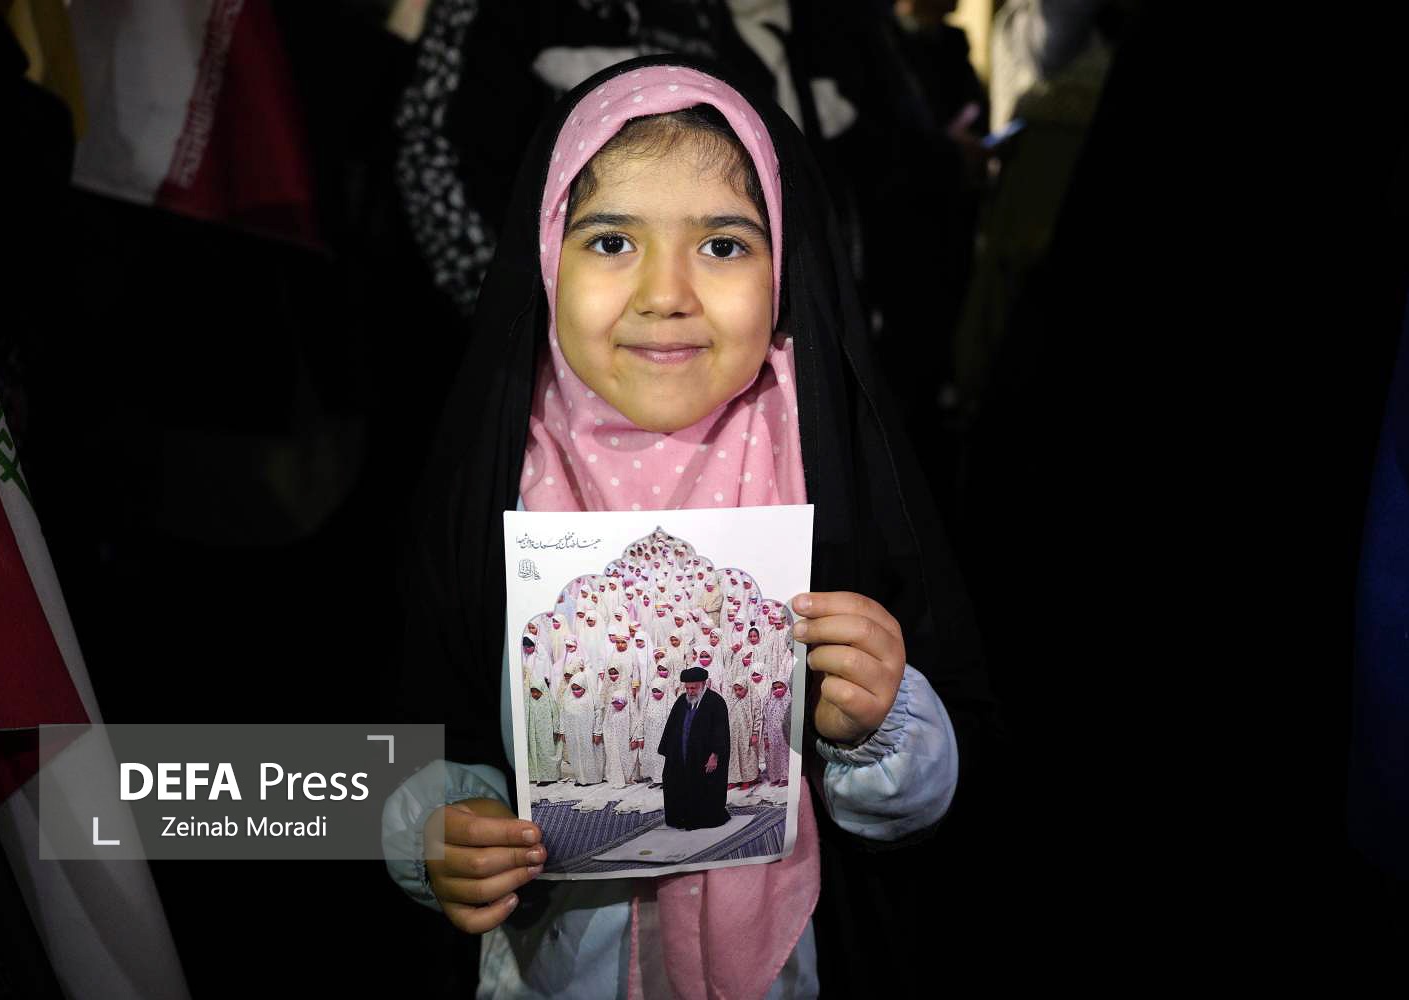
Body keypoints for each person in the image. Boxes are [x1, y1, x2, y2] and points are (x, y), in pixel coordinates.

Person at [385, 55, 997, 997]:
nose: (665, 292)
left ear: (785, 265)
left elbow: (936, 798)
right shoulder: (493, 469)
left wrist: (882, 727)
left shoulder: (837, 462)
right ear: (545, 256)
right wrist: (441, 833)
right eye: (610, 241)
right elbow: (422, 722)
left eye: (722, 244)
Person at [657, 666, 732, 829]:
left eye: (694, 688)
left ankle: (701, 819)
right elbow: (671, 727)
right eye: (688, 688)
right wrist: (669, 753)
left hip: (704, 757)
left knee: (703, 788)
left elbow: (721, 731)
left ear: (704, 684)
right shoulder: (681, 701)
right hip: (682, 754)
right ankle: (681, 818)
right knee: (676, 782)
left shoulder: (716, 702)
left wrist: (715, 755)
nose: (690, 692)